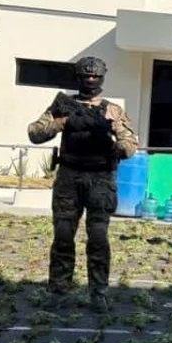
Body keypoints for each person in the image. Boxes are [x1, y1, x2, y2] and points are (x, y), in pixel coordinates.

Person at [27, 56, 138, 313]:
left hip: (100, 179)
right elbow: (34, 132)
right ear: (78, 78)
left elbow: (130, 146)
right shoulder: (63, 105)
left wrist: (111, 138)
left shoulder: (112, 110)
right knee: (63, 236)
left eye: (95, 77)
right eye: (86, 76)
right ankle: (58, 292)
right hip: (69, 177)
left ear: (102, 78)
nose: (90, 80)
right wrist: (63, 122)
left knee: (98, 238)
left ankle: (98, 293)